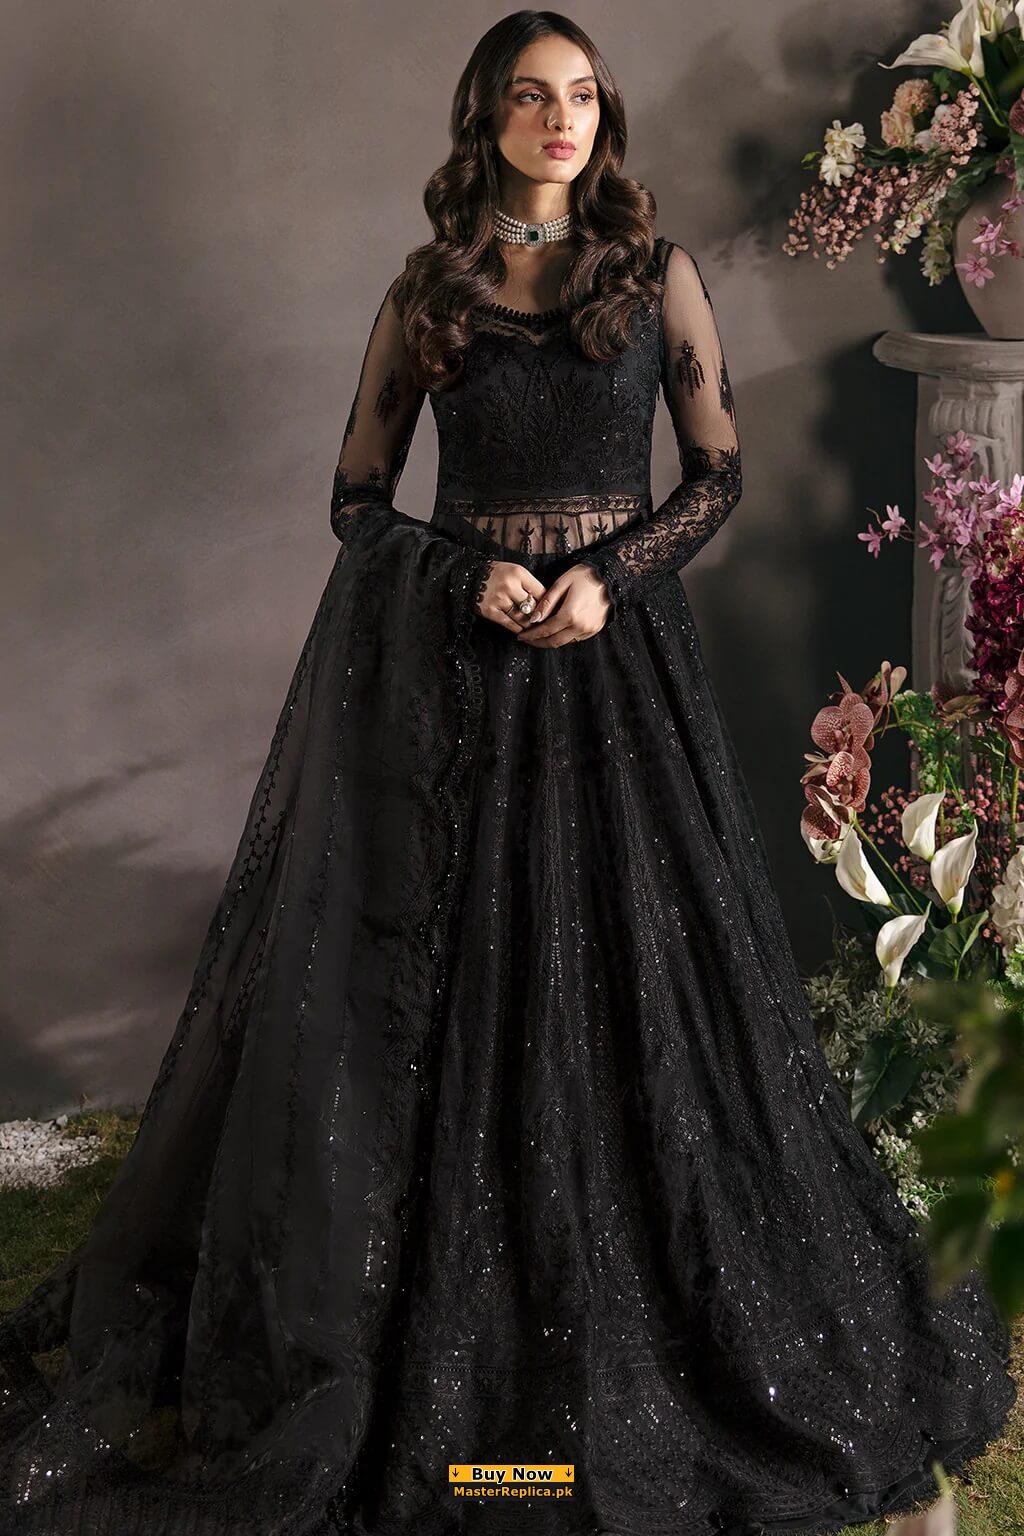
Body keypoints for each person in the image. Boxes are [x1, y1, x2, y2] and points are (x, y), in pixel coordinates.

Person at [0, 11, 1016, 1536]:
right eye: (532, 97)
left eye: (583, 95)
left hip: (616, 678)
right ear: (484, 119)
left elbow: (718, 471)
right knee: (452, 992)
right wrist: (456, 571)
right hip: (462, 687)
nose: (562, 119)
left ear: (605, 117)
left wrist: (614, 576)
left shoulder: (654, 278)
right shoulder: (431, 294)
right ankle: (442, 1341)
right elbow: (356, 499)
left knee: (638, 983)